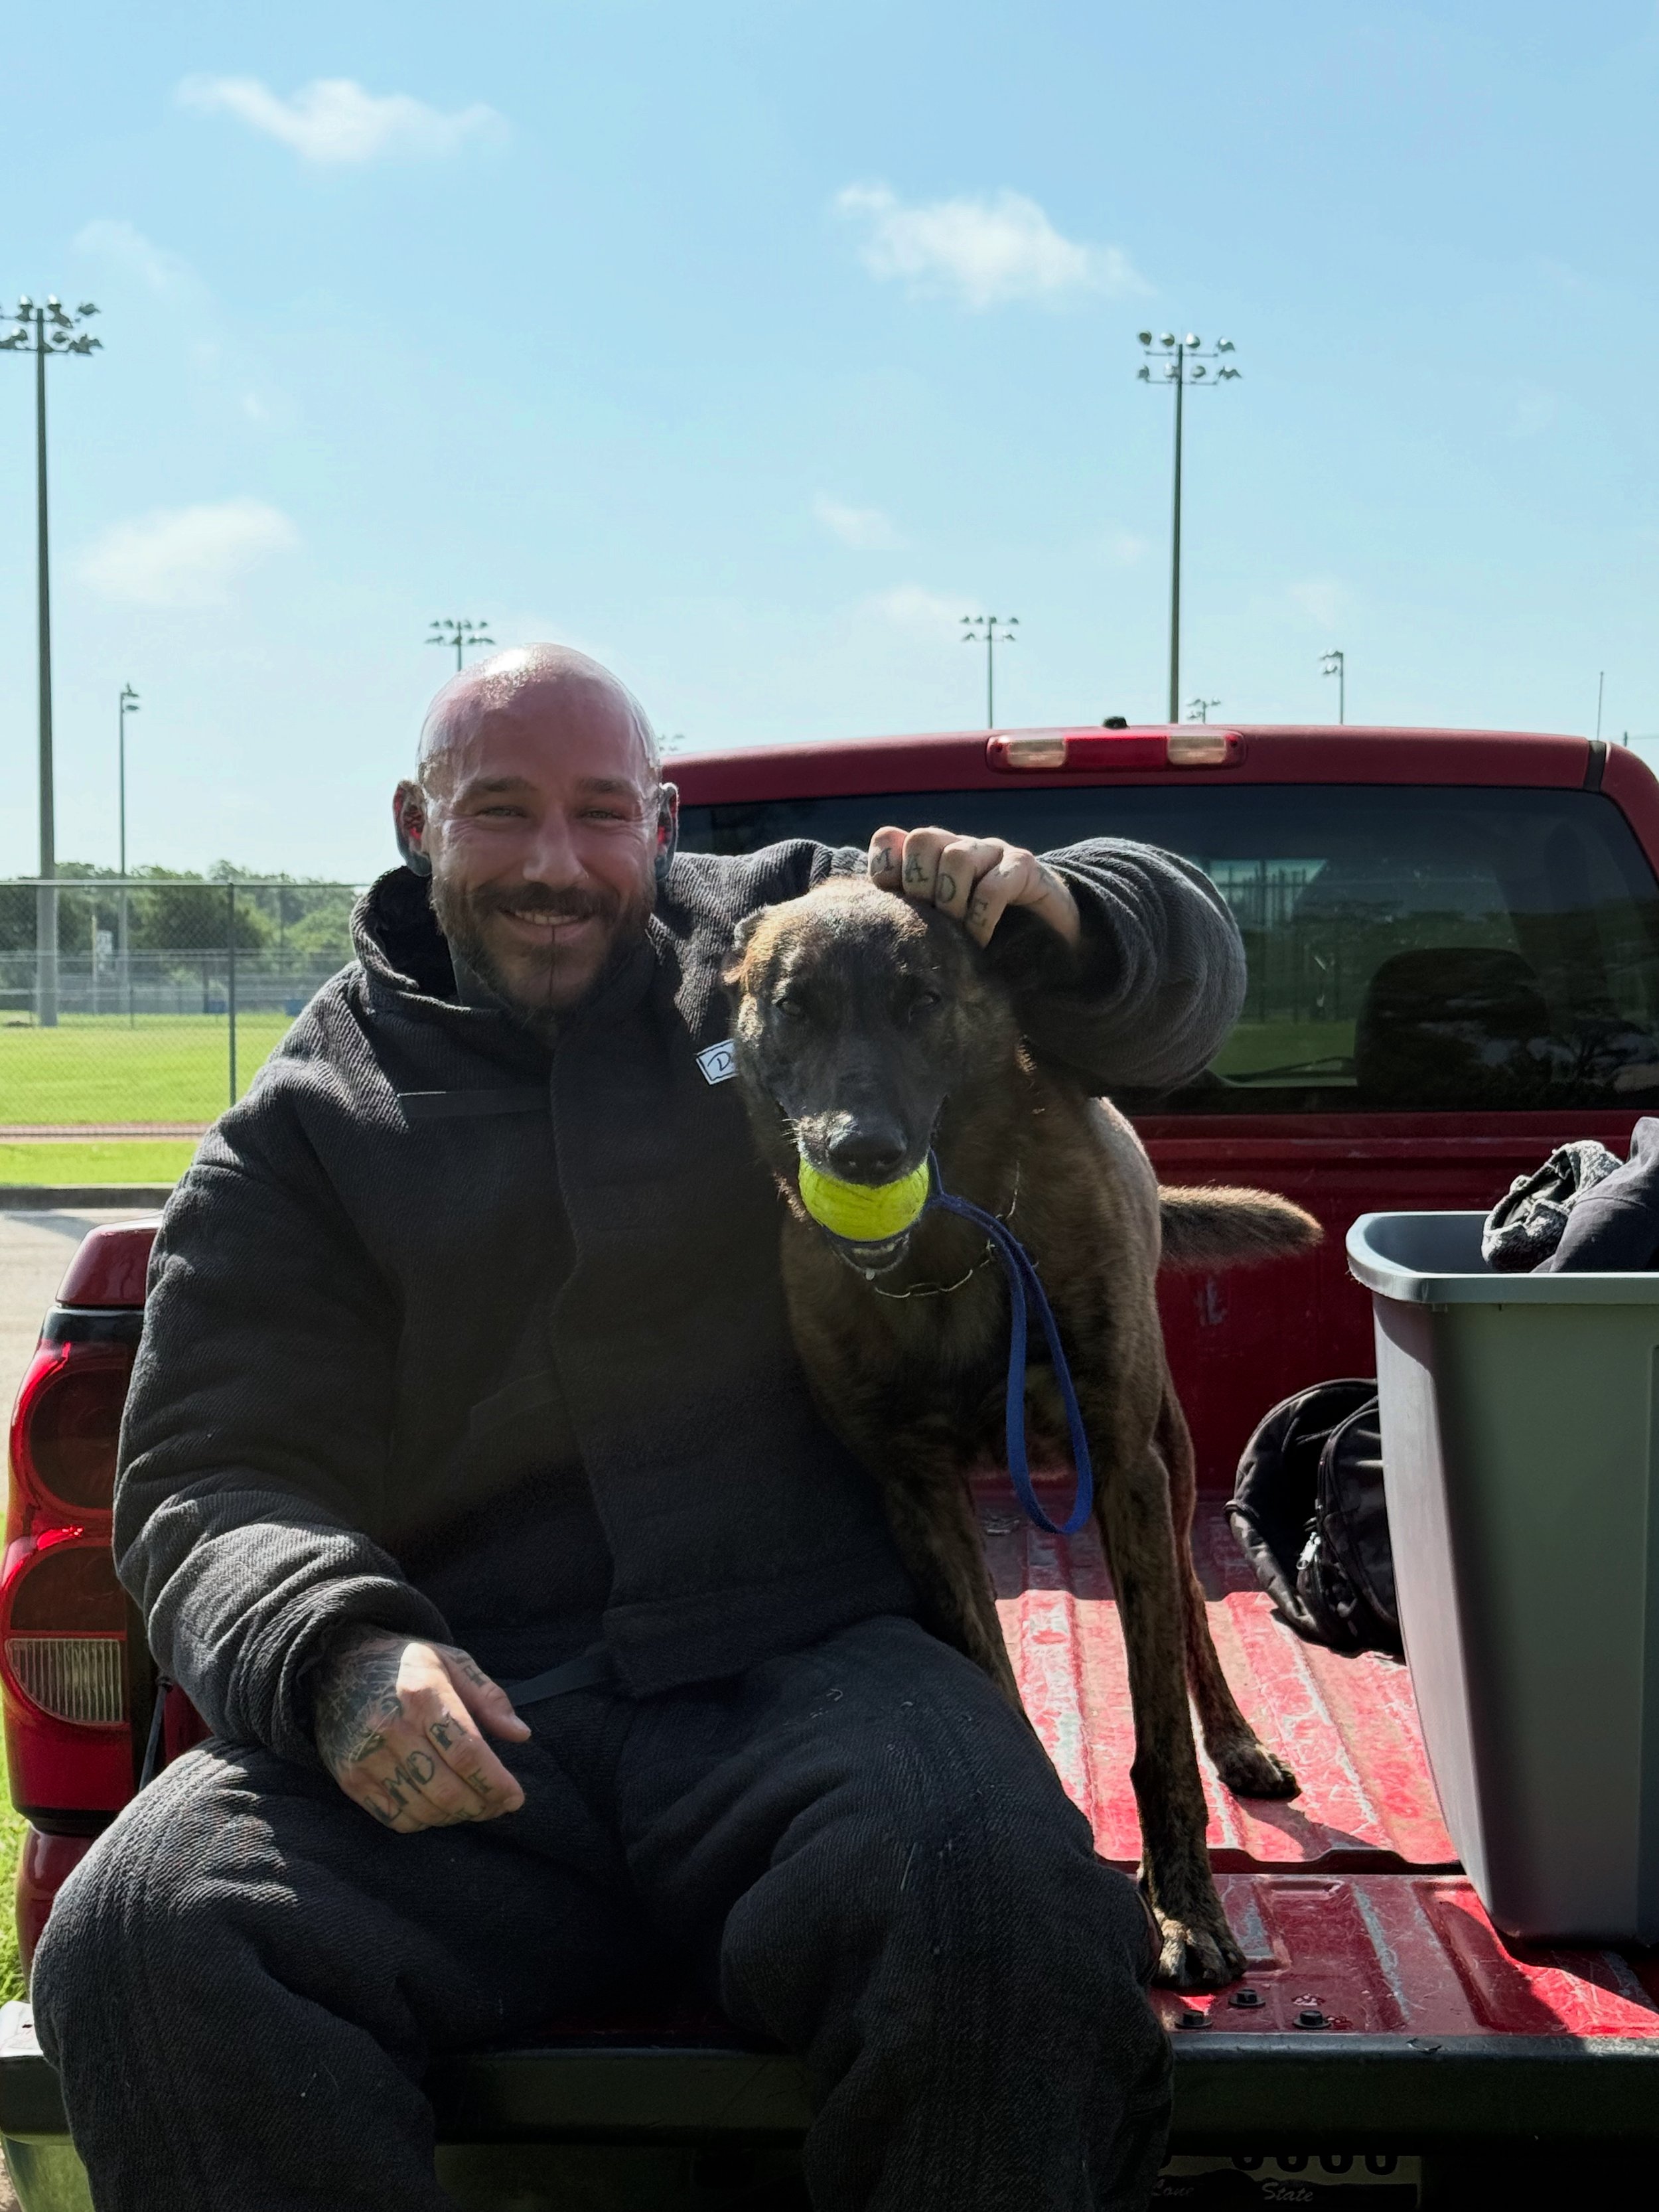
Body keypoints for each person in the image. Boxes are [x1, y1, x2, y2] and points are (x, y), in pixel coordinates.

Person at [31, 645, 1246, 2212]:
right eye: (500, 810)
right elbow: (203, 1470)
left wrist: (1076, 906)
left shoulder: (793, 944)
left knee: (1001, 1903)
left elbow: (1166, 984)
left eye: (600, 812)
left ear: (661, 824)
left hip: (810, 1675)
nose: (556, 861)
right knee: (144, 1929)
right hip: (473, 1724)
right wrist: (336, 1649)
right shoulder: (298, 1133)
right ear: (413, 821)